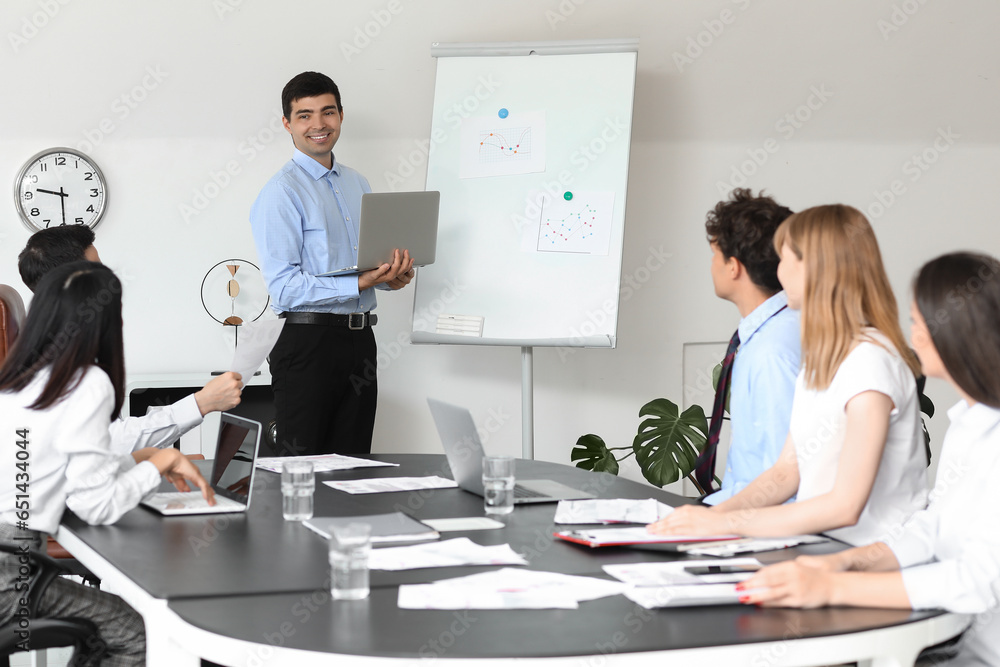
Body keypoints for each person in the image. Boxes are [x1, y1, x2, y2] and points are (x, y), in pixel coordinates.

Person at [738, 251, 1000, 666]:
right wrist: (845, 563)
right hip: (958, 645)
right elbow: (933, 526)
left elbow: (978, 581)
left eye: (917, 322)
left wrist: (833, 589)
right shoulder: (969, 422)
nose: (912, 336)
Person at [650, 204, 927, 546]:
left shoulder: (870, 361)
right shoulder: (824, 357)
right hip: (823, 546)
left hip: (872, 556)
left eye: (783, 259)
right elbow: (785, 473)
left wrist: (725, 523)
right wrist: (710, 517)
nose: (777, 273)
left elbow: (845, 507)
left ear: (813, 268)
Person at [0, 261, 216, 664]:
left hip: (8, 561)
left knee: (105, 632)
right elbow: (96, 506)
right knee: (139, 635)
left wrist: (144, 458)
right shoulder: (85, 382)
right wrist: (163, 460)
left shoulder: (17, 379)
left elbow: (55, 469)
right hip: (9, 578)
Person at [250, 71, 414, 457]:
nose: (319, 124)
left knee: (355, 463)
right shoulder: (281, 192)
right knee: (303, 466)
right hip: (307, 344)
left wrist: (390, 277)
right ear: (287, 123)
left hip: (360, 341)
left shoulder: (358, 183)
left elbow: (364, 266)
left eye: (328, 112)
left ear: (341, 115)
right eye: (305, 115)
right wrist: (360, 283)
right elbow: (285, 288)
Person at [17, 225, 243, 455]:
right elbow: (112, 442)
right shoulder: (59, 359)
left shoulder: (52, 340)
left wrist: (155, 464)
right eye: (97, 269)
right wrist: (202, 403)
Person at [699, 189, 800, 504]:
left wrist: (711, 520)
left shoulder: (771, 351)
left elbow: (784, 481)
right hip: (742, 509)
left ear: (734, 266)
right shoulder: (780, 329)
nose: (711, 265)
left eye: (715, 254)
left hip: (760, 523)